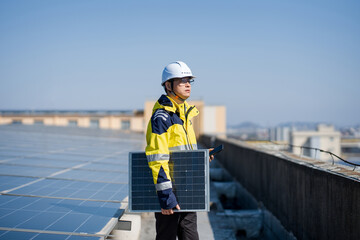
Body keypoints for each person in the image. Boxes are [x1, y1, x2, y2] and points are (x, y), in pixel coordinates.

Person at [145, 61, 213, 240]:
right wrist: (166, 196)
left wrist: (202, 158)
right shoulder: (162, 117)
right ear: (168, 85)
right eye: (182, 80)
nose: (188, 84)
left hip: (188, 190)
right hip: (171, 194)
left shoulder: (184, 114)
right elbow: (157, 158)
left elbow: (183, 153)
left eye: (189, 80)